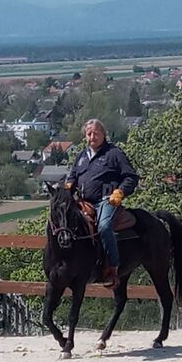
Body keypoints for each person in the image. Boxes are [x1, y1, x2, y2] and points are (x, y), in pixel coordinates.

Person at [65, 118, 139, 289]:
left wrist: (120, 192)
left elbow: (131, 177)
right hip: (84, 202)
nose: (92, 137)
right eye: (89, 134)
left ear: (103, 134)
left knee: (104, 227)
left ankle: (113, 268)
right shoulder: (81, 156)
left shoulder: (114, 153)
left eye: (96, 133)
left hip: (107, 201)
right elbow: (72, 177)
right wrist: (68, 187)